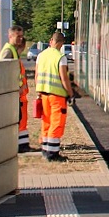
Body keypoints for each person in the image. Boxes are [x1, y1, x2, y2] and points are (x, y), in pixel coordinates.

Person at [34, 31, 74, 162]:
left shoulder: (41, 56)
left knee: (46, 121)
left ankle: (45, 150)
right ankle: (53, 154)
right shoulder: (60, 57)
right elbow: (64, 79)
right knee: (57, 122)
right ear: (62, 44)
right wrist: (70, 94)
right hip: (57, 96)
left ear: (51, 40)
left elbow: (36, 76)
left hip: (43, 94)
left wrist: (39, 92)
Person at [0, 24, 32, 153]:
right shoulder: (8, 51)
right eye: (18, 36)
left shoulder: (12, 50)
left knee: (20, 119)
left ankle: (21, 145)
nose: (20, 39)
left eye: (21, 37)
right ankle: (17, 146)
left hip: (17, 93)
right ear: (10, 36)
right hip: (13, 93)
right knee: (16, 120)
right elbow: (3, 73)